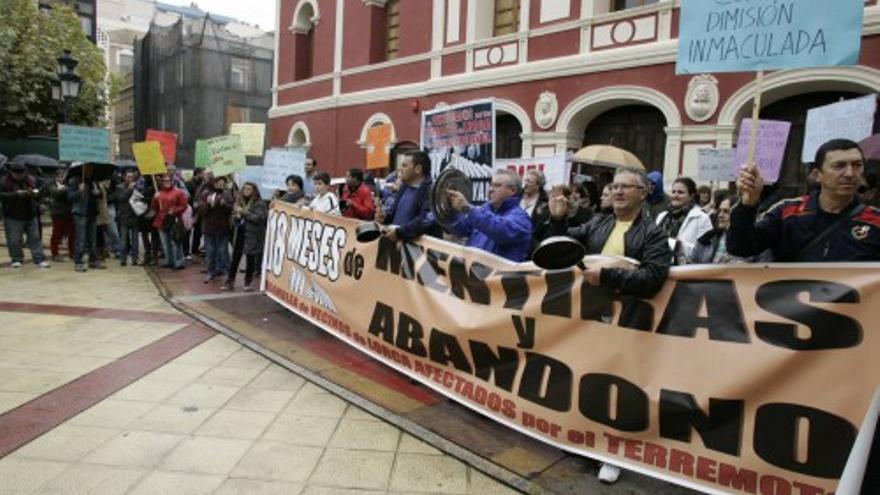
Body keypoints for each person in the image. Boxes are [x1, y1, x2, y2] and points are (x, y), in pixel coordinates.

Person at [547, 167, 671, 485]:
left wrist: (606, 275)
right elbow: (560, 246)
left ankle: (614, 454)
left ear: (644, 193)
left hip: (630, 321)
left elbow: (653, 279)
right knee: (590, 380)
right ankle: (588, 439)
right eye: (614, 186)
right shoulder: (597, 223)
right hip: (593, 318)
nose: (617, 191)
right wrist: (559, 219)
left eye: (626, 187)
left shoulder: (654, 233)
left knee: (622, 388)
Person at [729, 138, 880, 261]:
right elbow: (740, 248)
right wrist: (748, 204)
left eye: (857, 165)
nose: (849, 173)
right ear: (817, 174)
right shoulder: (787, 212)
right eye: (839, 166)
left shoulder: (875, 220)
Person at [443, 170, 532, 262]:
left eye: (497, 185)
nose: (490, 190)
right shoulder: (484, 209)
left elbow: (499, 229)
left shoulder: (522, 218)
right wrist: (448, 213)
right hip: (471, 273)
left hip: (498, 275)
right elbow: (462, 230)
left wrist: (467, 209)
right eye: (491, 185)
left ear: (512, 190)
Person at [375, 151, 439, 242]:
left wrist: (400, 233)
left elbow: (425, 221)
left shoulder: (432, 193)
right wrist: (385, 217)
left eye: (404, 165)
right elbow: (395, 215)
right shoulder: (403, 187)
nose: (400, 169)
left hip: (418, 253)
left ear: (418, 168)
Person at [0, 163, 50, 268]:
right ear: (11, 172)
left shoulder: (31, 180)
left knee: (35, 238)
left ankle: (39, 259)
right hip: (13, 215)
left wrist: (35, 193)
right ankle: (16, 259)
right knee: (14, 239)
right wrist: (16, 194)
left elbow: (40, 192)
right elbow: (2, 195)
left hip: (30, 213)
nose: (19, 175)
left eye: (22, 172)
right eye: (17, 173)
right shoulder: (4, 181)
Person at [654, 177, 713, 263]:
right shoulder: (662, 216)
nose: (675, 195)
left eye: (680, 192)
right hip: (658, 268)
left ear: (691, 196)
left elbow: (705, 255)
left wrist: (679, 246)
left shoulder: (702, 217)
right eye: (673, 192)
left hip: (686, 271)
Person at [222, 182, 266, 291]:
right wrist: (235, 217)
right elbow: (232, 218)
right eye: (245, 188)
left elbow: (259, 218)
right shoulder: (239, 201)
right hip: (239, 233)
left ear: (254, 191)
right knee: (235, 259)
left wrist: (243, 213)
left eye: (249, 189)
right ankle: (229, 281)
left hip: (252, 235)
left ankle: (247, 282)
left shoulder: (259, 203)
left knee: (250, 259)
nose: (246, 191)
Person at [198, 175, 234, 282]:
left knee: (223, 251)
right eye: (218, 183)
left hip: (223, 228)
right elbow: (200, 211)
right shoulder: (205, 194)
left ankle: (228, 273)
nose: (221, 185)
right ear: (214, 184)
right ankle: (210, 272)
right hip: (209, 228)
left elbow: (231, 210)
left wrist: (224, 205)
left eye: (223, 184)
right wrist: (208, 205)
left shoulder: (227, 195)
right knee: (210, 251)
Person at [688, 191, 740, 264]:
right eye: (720, 211)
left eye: (726, 211)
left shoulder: (753, 240)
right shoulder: (710, 238)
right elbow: (692, 262)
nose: (720, 215)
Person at [67, 169, 102, 272]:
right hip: (80, 212)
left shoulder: (94, 180)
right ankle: (78, 261)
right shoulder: (75, 180)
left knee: (92, 238)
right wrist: (79, 191)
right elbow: (69, 197)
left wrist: (98, 192)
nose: (90, 169)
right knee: (80, 238)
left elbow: (100, 196)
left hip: (92, 212)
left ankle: (93, 259)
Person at [151, 174, 189, 270]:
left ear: (172, 181)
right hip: (162, 220)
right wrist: (154, 199)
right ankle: (169, 260)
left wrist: (175, 210)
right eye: (165, 181)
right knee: (165, 242)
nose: (167, 182)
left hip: (174, 220)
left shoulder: (178, 192)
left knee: (175, 242)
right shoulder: (159, 193)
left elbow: (184, 206)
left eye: (169, 181)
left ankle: (179, 262)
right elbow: (154, 208)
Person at [47, 168, 75, 262]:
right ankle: (55, 253)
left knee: (72, 235)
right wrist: (67, 188)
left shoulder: (68, 184)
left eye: (63, 176)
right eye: (59, 176)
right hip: (58, 213)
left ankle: (73, 253)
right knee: (57, 234)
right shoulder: (52, 185)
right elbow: (55, 192)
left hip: (69, 212)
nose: (61, 178)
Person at [520, 169, 550, 254]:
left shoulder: (545, 204)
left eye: (529, 182)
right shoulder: (515, 198)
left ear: (538, 185)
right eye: (525, 180)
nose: (525, 184)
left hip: (532, 248)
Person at [115, 170, 141, 266]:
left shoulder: (136, 187)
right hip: (124, 216)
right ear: (124, 177)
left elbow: (140, 198)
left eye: (132, 177)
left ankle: (135, 259)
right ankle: (123, 259)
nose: (130, 179)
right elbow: (121, 199)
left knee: (135, 240)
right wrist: (130, 190)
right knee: (124, 240)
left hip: (134, 216)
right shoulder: (119, 187)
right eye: (128, 177)